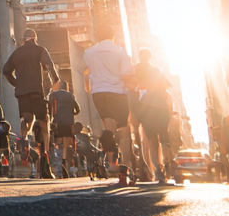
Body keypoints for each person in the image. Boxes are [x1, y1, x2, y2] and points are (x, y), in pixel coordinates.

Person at [2, 28, 58, 178]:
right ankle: (44, 154)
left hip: (22, 93)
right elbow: (49, 65)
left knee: (26, 119)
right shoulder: (40, 50)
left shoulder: (17, 52)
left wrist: (16, 84)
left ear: (24, 39)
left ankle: (24, 140)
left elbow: (6, 70)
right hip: (37, 91)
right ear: (35, 38)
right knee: (44, 121)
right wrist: (56, 79)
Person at [83, 29, 134, 169]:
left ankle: (113, 163)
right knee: (123, 128)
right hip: (118, 93)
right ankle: (126, 163)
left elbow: (85, 72)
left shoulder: (89, 52)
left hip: (99, 93)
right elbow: (126, 74)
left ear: (97, 36)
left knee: (109, 128)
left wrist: (89, 88)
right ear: (113, 36)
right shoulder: (120, 51)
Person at [131, 49, 181, 184]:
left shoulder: (134, 70)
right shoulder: (156, 70)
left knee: (152, 141)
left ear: (139, 57)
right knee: (164, 139)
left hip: (146, 110)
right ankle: (168, 164)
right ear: (150, 57)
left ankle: (158, 171)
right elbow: (167, 87)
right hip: (161, 108)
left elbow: (131, 88)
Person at [47, 77, 81, 178]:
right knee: (66, 143)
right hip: (68, 122)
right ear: (66, 87)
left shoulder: (52, 95)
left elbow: (49, 108)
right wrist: (71, 113)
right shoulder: (70, 95)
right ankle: (64, 160)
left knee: (56, 141)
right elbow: (78, 109)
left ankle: (57, 161)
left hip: (56, 122)